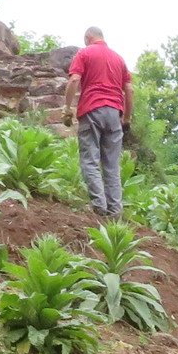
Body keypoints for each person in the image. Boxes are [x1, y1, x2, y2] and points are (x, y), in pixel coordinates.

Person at [67, 28, 131, 217]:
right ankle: (115, 211)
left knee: (90, 160)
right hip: (115, 114)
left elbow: (74, 80)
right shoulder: (119, 59)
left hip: (92, 109)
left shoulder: (84, 53)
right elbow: (129, 90)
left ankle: (99, 208)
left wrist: (66, 107)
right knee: (112, 165)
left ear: (89, 37)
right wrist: (126, 118)